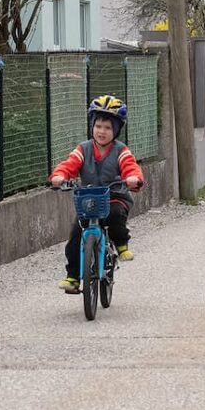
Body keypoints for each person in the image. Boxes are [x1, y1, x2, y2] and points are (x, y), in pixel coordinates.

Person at [49, 95, 145, 294]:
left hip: (115, 196)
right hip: (89, 200)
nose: (102, 131)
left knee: (117, 215)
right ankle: (73, 277)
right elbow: (69, 165)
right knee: (76, 235)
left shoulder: (121, 151)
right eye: (98, 126)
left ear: (116, 130)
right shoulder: (83, 149)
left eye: (108, 128)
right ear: (92, 126)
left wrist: (133, 178)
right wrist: (59, 175)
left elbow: (131, 167)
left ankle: (121, 244)